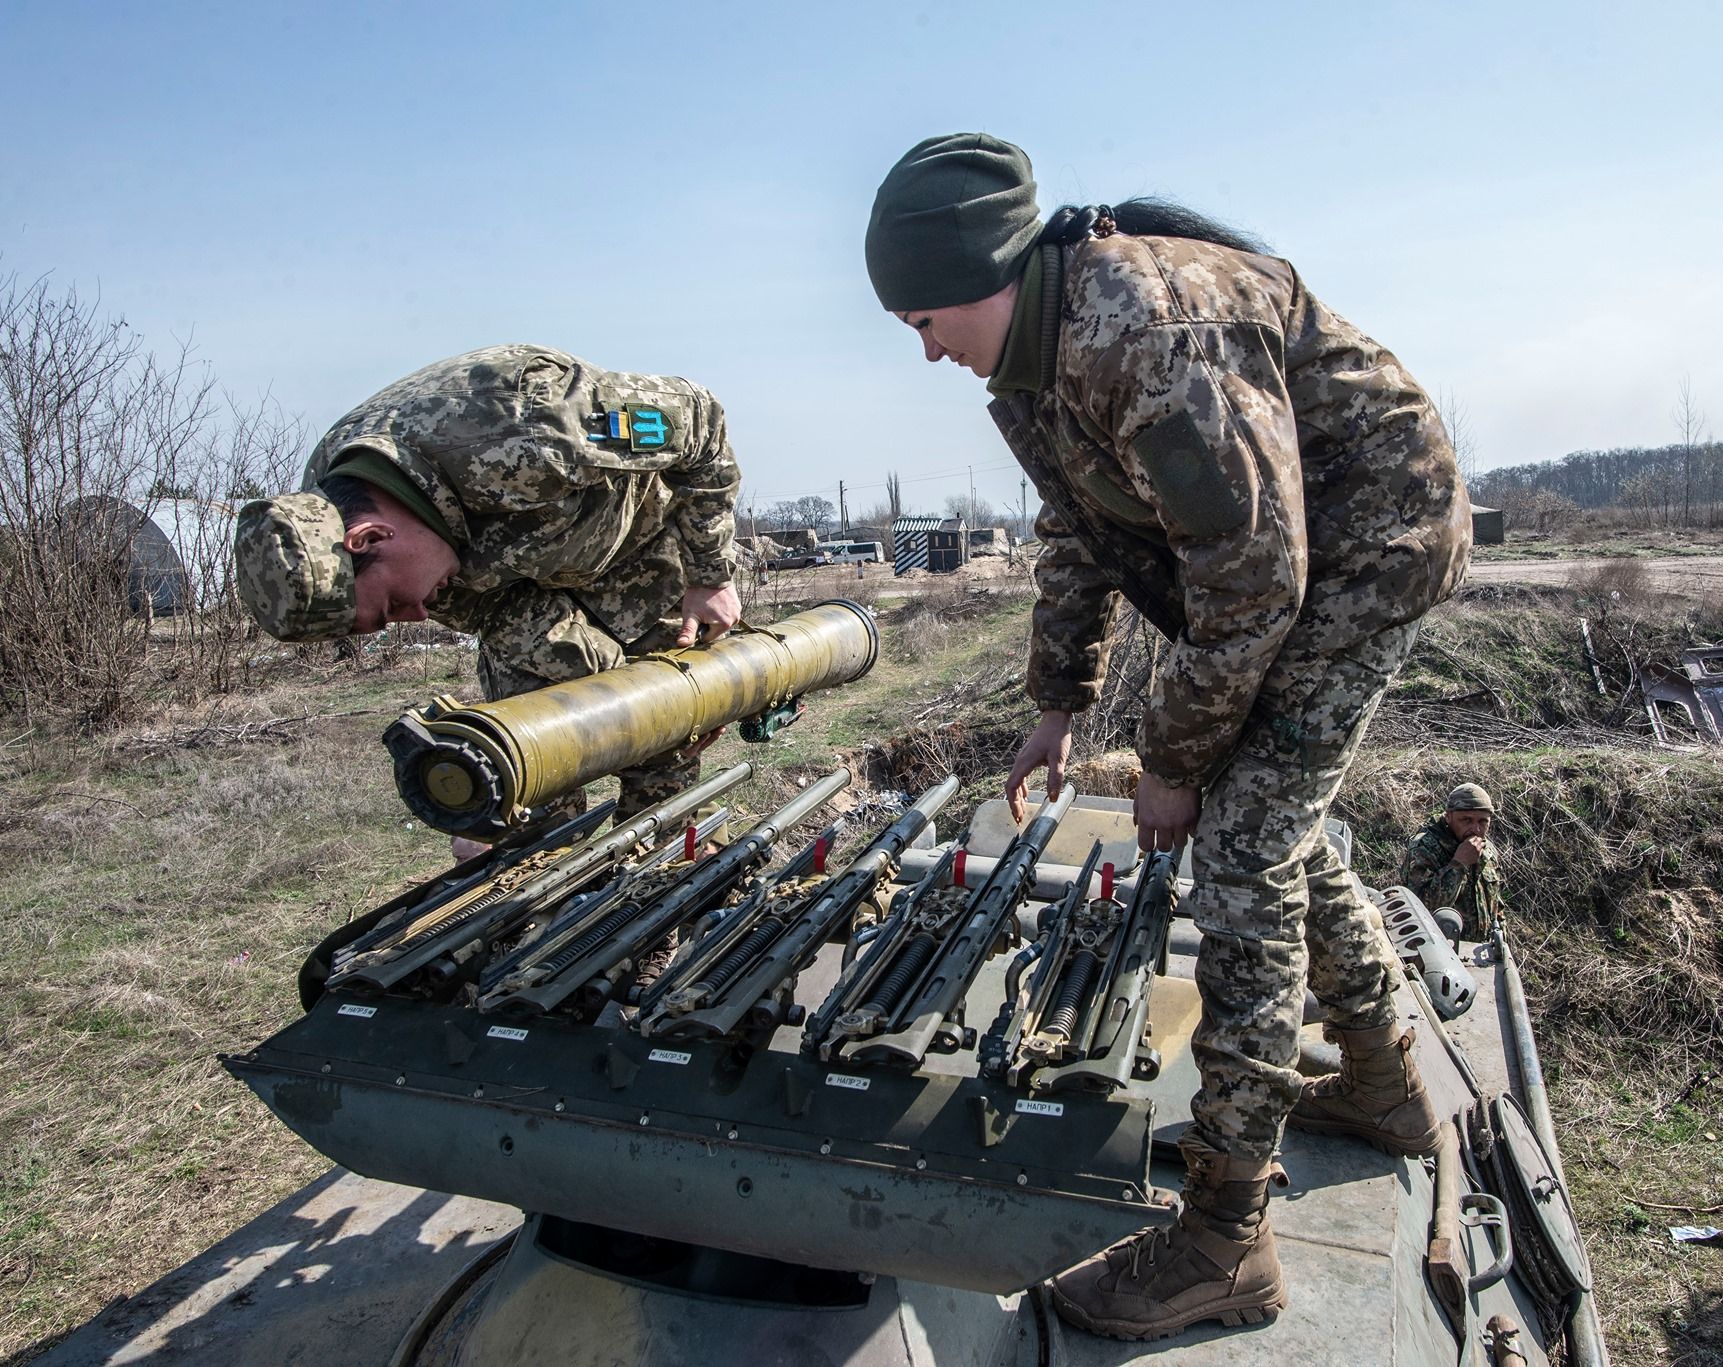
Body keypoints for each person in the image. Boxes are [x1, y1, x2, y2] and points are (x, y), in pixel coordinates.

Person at [865, 133, 1472, 1340]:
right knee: (1274, 826)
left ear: (986, 275)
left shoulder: (1145, 330)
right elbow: (1077, 533)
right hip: (1280, 569)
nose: (925, 349)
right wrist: (1057, 702)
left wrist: (1172, 767)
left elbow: (1251, 581)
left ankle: (1223, 1236)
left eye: (925, 320)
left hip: (1365, 549)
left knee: (1244, 853)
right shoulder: (1031, 367)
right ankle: (1383, 1083)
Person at [233, 343, 742, 854]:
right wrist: (614, 684)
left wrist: (710, 575)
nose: (419, 615)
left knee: (667, 755)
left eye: (393, 606)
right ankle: (542, 869)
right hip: (521, 594)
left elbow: (701, 422)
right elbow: (493, 614)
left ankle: (674, 867)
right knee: (535, 768)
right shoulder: (320, 514)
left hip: (644, 557)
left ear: (370, 537)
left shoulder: (530, 423)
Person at [1401, 783, 1506, 942]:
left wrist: (1501, 944)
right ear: (1448, 816)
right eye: (1466, 820)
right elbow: (1421, 910)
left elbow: (1497, 909)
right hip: (1436, 949)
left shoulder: (1487, 851)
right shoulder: (1424, 848)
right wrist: (1459, 864)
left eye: (1483, 821)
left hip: (1479, 951)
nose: (1476, 829)